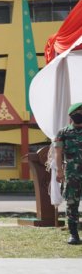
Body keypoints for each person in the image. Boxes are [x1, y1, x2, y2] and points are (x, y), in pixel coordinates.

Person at [55, 102, 82, 245]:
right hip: (72, 175)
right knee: (72, 204)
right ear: (71, 115)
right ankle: (73, 234)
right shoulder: (63, 133)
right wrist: (59, 171)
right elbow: (58, 154)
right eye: (78, 113)